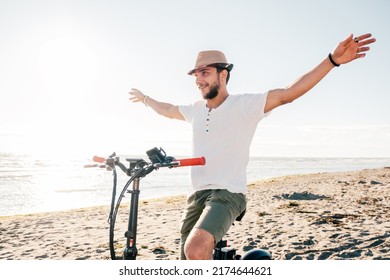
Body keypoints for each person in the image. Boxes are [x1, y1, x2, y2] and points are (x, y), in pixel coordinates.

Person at [129, 33, 376, 260]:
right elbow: (168, 110)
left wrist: (332, 60)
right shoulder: (195, 110)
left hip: (228, 194)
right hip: (197, 195)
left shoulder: (244, 106)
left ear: (222, 74)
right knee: (187, 258)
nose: (199, 80)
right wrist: (145, 99)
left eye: (204, 73)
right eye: (196, 75)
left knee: (195, 248)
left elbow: (288, 93)